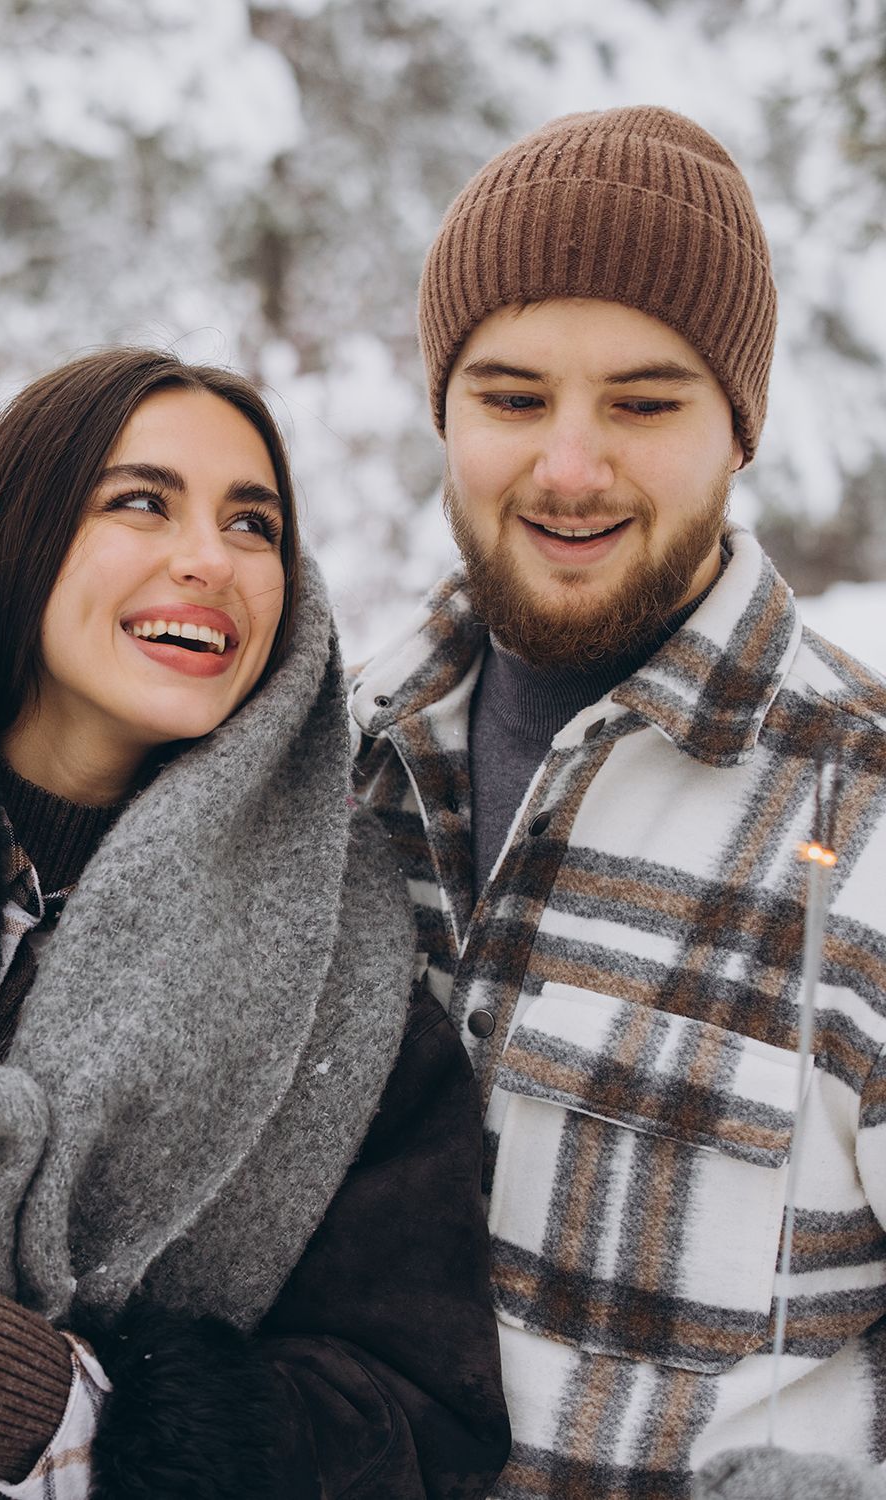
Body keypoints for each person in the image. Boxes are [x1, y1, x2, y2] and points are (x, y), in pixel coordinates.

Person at [0, 349, 510, 1498]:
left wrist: (20, 1391)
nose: (207, 561)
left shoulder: (341, 955)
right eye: (140, 501)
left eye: (254, 525)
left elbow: (414, 1417)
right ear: (16, 526)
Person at [350, 107, 886, 1499]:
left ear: (739, 430)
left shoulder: (866, 814)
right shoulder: (331, 777)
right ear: (445, 411)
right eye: (514, 398)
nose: (571, 467)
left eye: (644, 404)